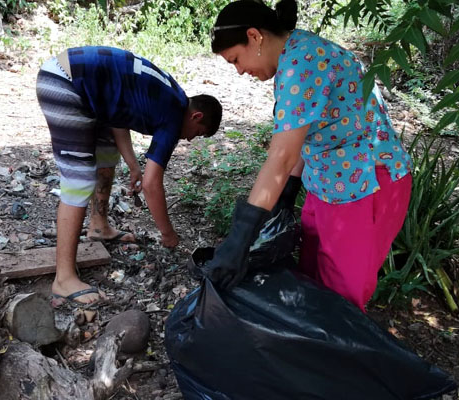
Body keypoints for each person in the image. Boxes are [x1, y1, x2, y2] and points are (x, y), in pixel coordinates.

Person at [204, 0, 412, 312]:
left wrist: (240, 239)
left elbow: (281, 157)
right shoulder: (296, 53)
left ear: (254, 37)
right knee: (312, 281)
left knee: (340, 299)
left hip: (366, 184)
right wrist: (288, 193)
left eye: (236, 59)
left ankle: (337, 359)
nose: (240, 71)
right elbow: (304, 135)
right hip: (331, 181)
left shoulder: (302, 63)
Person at [37, 46, 222, 305]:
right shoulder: (173, 115)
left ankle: (99, 226)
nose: (190, 138)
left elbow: (118, 116)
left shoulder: (169, 96)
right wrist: (168, 234)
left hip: (81, 85)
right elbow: (152, 185)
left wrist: (133, 165)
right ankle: (63, 279)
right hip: (65, 83)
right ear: (196, 116)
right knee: (78, 180)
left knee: (106, 155)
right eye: (196, 133)